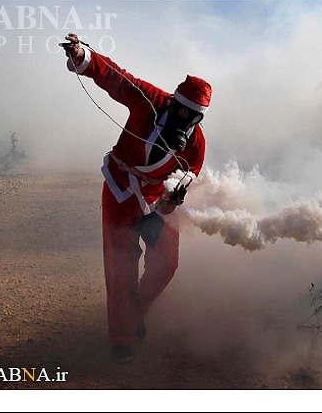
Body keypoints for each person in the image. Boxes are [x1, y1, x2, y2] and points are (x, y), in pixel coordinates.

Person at [62, 33, 212, 363]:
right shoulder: (151, 100)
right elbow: (118, 78)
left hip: (157, 200)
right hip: (120, 188)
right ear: (173, 102)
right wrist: (82, 55)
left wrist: (171, 201)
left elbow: (188, 175)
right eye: (181, 111)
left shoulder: (196, 143)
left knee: (166, 264)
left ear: (200, 118)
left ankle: (136, 310)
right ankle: (122, 338)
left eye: (192, 116)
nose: (183, 120)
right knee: (120, 266)